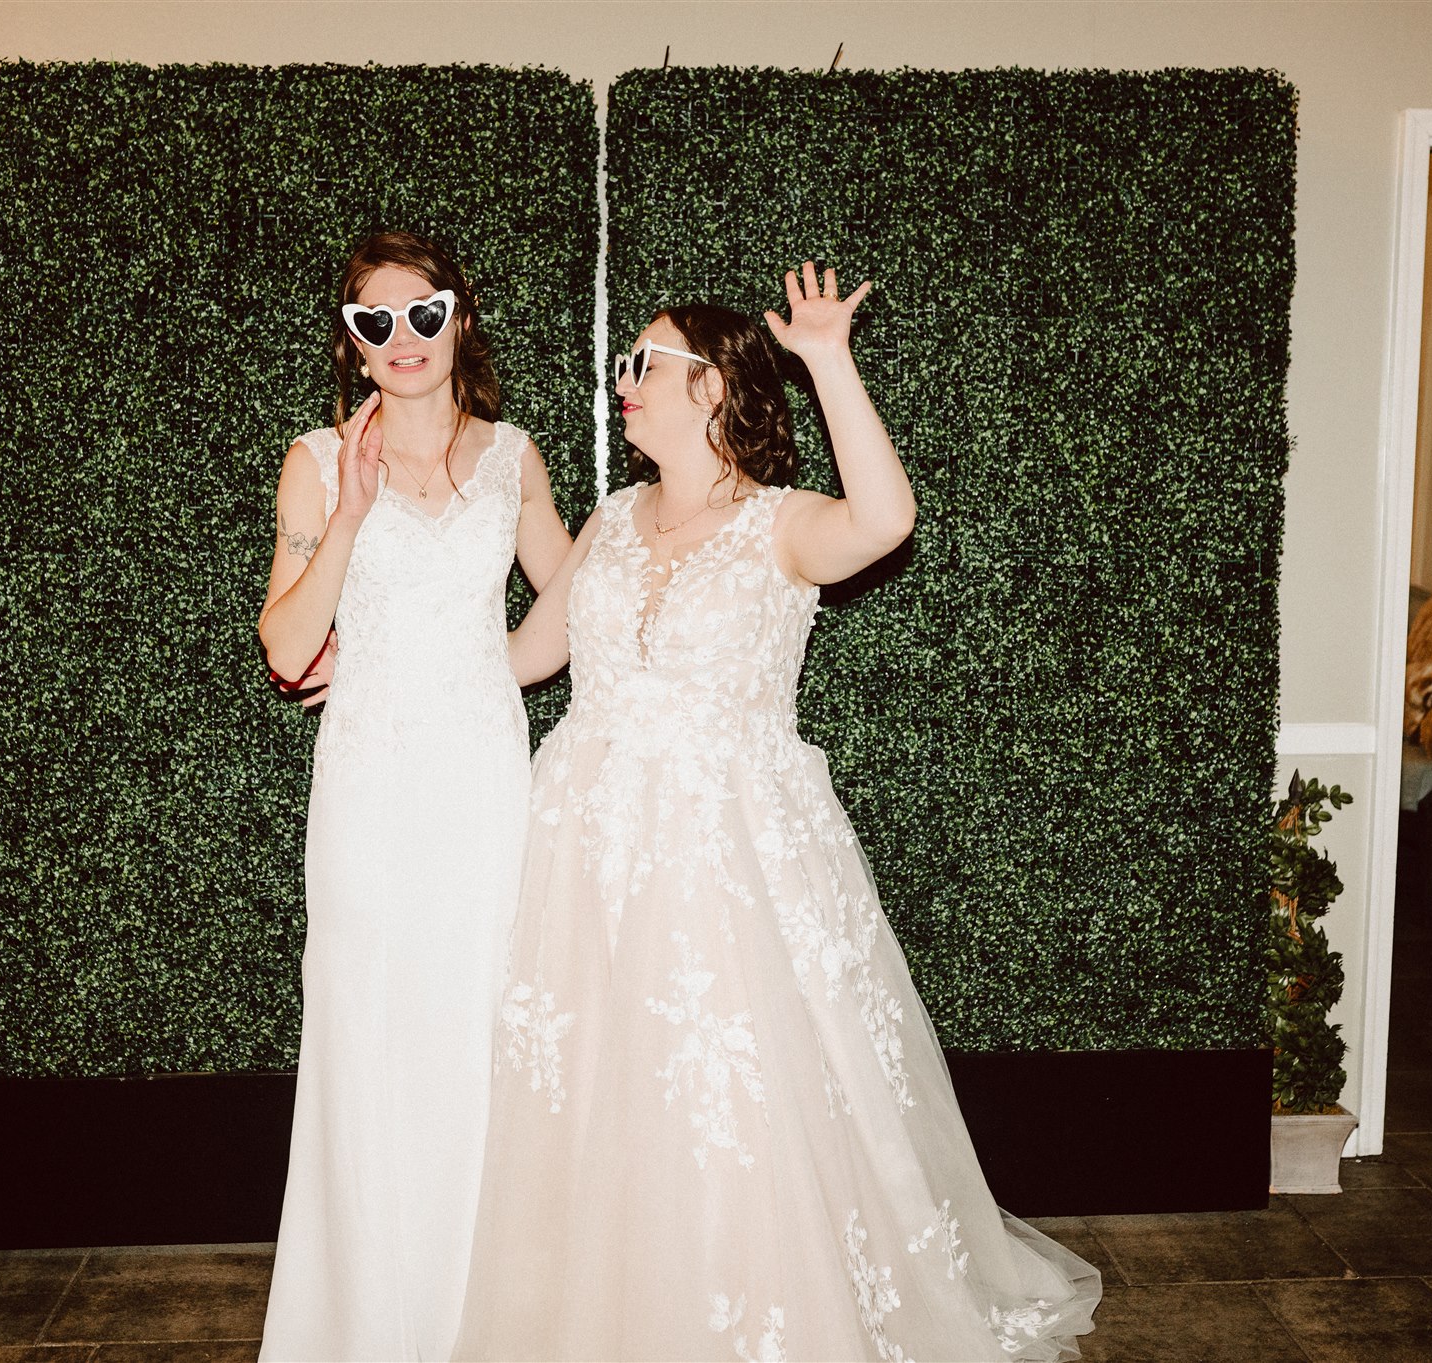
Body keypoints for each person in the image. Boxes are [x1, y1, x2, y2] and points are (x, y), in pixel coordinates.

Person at [454, 264, 1102, 1361]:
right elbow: (523, 655)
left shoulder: (781, 527)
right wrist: (383, 663)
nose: (623, 383)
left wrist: (827, 359)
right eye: (625, 366)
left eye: (642, 364)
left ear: (711, 389)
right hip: (585, 851)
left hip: (724, 858)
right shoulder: (608, 524)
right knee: (590, 1091)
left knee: (731, 1096)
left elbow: (888, 518)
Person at [257, 230, 572, 1362]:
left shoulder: (513, 457)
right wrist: (345, 516)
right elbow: (287, 646)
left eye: (422, 315)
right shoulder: (315, 460)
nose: (402, 340)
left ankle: (484, 1324)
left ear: (460, 320)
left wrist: (494, 660)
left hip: (485, 779)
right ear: (350, 342)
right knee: (373, 1034)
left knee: (484, 1026)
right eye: (373, 322)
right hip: (372, 792)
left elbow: (575, 594)